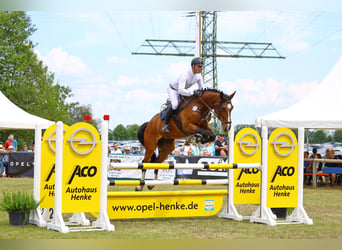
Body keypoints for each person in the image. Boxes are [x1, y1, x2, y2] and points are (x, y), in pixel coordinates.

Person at [162, 57, 205, 133]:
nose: (200, 68)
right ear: (193, 66)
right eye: (199, 66)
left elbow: (203, 88)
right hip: (174, 90)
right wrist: (192, 93)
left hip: (184, 91)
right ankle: (165, 124)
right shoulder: (184, 75)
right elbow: (180, 90)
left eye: (201, 67)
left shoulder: (198, 76)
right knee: (175, 105)